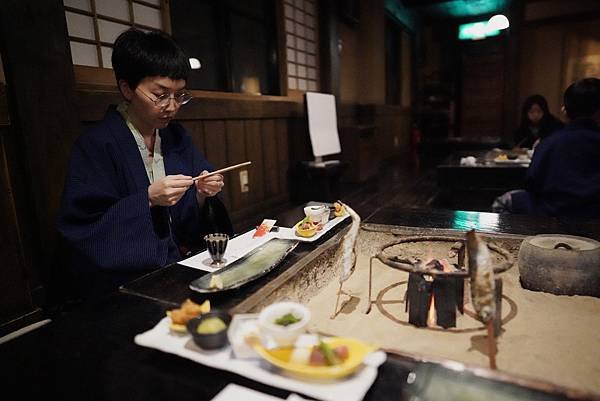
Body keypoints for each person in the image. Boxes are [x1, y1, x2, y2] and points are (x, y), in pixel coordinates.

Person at [57, 29, 232, 297]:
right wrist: (148, 199)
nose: (172, 106)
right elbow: (84, 228)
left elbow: (190, 218)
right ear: (127, 88)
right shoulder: (97, 144)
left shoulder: (175, 136)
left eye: (179, 95)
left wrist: (201, 192)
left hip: (178, 264)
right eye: (160, 94)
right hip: (124, 281)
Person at [493, 77, 600, 219]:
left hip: (553, 214)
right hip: (594, 217)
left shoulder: (551, 142)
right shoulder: (544, 136)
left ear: (565, 111)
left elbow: (532, 182)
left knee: (504, 202)